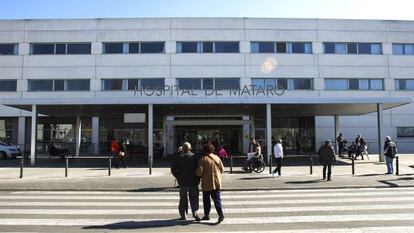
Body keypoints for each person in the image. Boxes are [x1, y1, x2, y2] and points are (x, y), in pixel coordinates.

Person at [171, 142, 201, 221]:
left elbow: (173, 170)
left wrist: (178, 177)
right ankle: (195, 212)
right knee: (194, 197)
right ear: (190, 149)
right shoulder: (195, 157)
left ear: (183, 149)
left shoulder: (178, 157)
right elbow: (199, 169)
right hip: (194, 181)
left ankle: (183, 215)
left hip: (182, 182)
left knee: (183, 198)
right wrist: (198, 177)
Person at [196, 144, 225, 224]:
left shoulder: (203, 159)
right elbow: (222, 169)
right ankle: (220, 215)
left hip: (207, 183)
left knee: (206, 200)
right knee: (217, 199)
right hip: (216, 182)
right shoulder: (217, 157)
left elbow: (199, 172)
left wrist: (195, 172)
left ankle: (207, 215)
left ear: (204, 150)